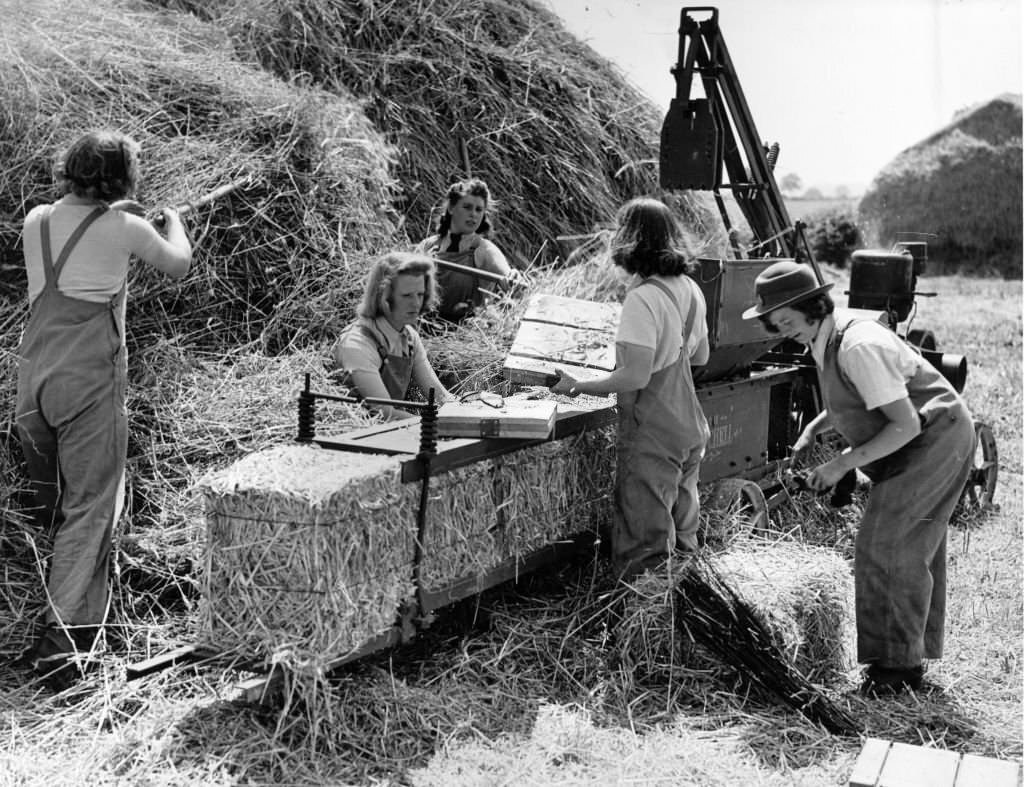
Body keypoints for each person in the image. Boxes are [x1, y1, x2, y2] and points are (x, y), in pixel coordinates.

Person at [742, 260, 975, 696]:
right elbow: (859, 397)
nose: (781, 330)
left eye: (785, 321)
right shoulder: (824, 336)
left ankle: (895, 674)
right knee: (906, 547)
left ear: (812, 305)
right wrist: (814, 430)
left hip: (935, 437)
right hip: (920, 438)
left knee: (886, 546)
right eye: (774, 325)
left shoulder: (857, 344)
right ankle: (906, 660)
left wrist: (840, 464)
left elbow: (904, 423)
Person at [16, 129, 193, 684]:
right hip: (87, 383)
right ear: (123, 176)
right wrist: (172, 225)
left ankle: (61, 613)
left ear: (70, 168)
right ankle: (61, 641)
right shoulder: (125, 227)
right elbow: (178, 265)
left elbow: (79, 249)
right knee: (92, 504)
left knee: (54, 504)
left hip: (35, 380)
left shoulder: (37, 220)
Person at [549, 197, 710, 580]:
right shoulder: (689, 288)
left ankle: (645, 624)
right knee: (683, 534)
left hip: (652, 431)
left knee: (645, 544)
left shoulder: (643, 298)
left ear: (628, 240)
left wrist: (578, 385)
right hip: (688, 426)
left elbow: (635, 377)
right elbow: (700, 356)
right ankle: (686, 611)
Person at [332, 251, 455, 419]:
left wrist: (468, 413)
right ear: (383, 297)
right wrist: (440, 426)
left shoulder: (410, 338)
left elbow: (442, 398)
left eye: (420, 294)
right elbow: (386, 413)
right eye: (406, 295)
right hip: (359, 435)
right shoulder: (357, 344)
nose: (416, 303)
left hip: (398, 432)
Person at [417, 178, 526, 321]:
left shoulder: (485, 250)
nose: (473, 214)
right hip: (424, 326)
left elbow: (509, 276)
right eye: (467, 207)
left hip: (463, 334)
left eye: (479, 209)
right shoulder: (428, 246)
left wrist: (513, 279)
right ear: (451, 208)